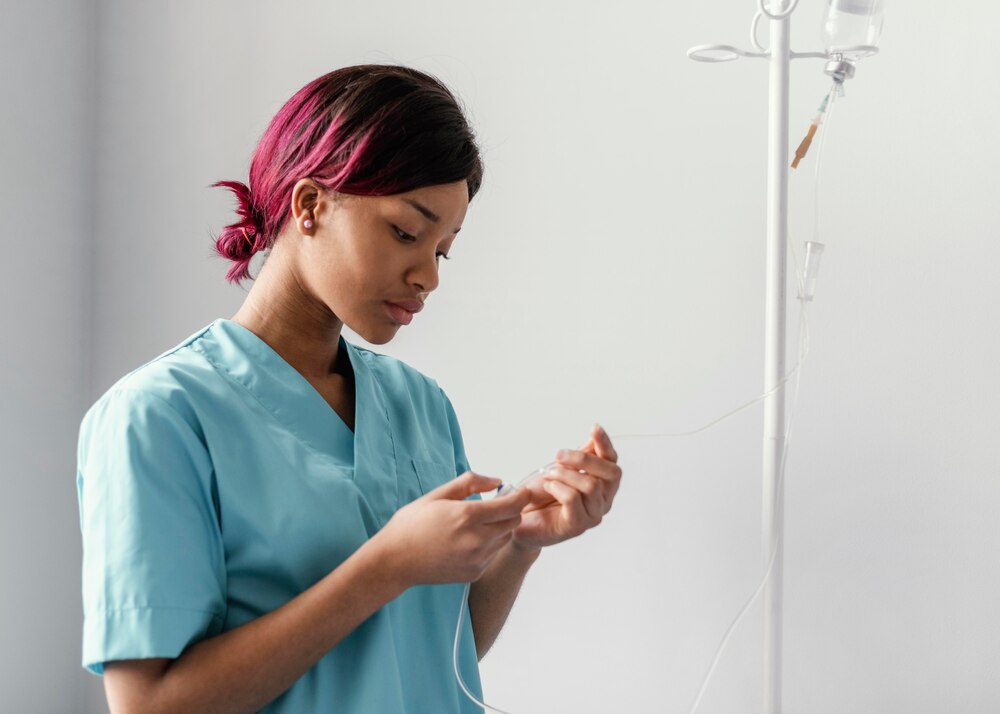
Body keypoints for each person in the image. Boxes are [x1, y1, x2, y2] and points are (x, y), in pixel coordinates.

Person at [76, 64, 623, 714]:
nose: (428, 277)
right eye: (406, 232)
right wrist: (385, 565)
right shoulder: (159, 416)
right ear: (310, 205)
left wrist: (519, 545)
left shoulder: (420, 405)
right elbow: (148, 704)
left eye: (442, 250)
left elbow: (435, 652)